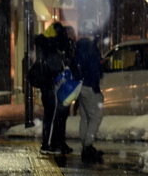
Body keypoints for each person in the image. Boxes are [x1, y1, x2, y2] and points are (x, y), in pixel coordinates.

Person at [35, 21, 75, 155]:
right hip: (53, 86)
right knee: (52, 116)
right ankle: (49, 144)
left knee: (55, 115)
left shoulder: (47, 46)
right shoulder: (52, 47)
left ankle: (55, 142)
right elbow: (56, 68)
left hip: (51, 86)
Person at [75, 21, 105, 164]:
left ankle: (85, 143)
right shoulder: (90, 47)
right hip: (89, 85)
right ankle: (88, 145)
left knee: (85, 116)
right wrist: (95, 87)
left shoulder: (79, 46)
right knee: (96, 117)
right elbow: (93, 68)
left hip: (81, 85)